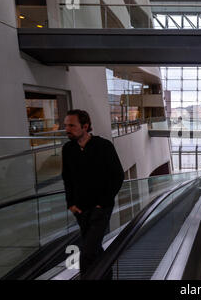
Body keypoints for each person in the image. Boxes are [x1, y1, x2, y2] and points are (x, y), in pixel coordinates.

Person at [62, 109, 124, 279]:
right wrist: (71, 204)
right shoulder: (68, 149)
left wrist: (102, 203)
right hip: (80, 210)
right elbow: (67, 178)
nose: (67, 129)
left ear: (85, 126)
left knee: (87, 251)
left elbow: (118, 176)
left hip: (101, 209)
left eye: (72, 125)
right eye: (66, 125)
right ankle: (106, 276)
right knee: (94, 247)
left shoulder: (104, 146)